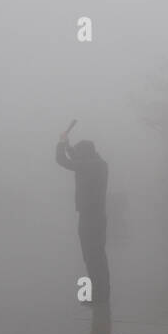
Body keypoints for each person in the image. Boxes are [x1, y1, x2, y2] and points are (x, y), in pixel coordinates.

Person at [56, 129, 109, 304]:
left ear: (84, 154)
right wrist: (69, 146)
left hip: (89, 217)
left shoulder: (88, 165)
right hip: (98, 216)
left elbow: (62, 160)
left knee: (91, 256)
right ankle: (102, 293)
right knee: (98, 256)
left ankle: (97, 295)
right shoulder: (99, 163)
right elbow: (78, 159)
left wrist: (62, 143)